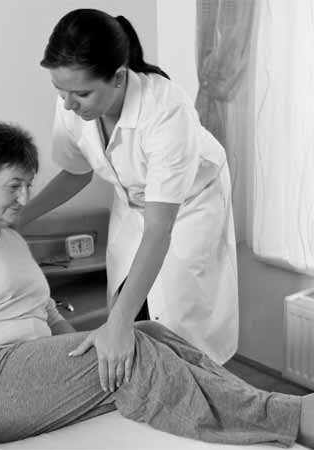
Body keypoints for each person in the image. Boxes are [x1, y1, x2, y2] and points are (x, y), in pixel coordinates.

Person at [0, 121, 314, 448]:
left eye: (28, 184)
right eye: (13, 186)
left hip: (22, 368)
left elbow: (47, 314)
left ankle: (279, 414)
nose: (24, 197)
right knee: (132, 355)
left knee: (151, 334)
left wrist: (85, 350)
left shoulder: (10, 238)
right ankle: (290, 418)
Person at [17, 8, 238, 380]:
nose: (68, 104)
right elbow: (76, 173)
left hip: (190, 205)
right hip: (134, 201)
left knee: (181, 320)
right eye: (60, 90)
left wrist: (116, 325)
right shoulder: (74, 103)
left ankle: (206, 390)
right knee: (127, 299)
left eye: (81, 93)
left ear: (118, 77)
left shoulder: (166, 111)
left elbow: (159, 230)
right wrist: (20, 217)